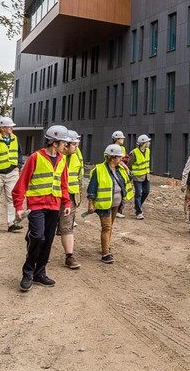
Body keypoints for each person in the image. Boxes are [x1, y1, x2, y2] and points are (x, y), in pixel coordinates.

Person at [12, 124, 72, 292]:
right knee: (38, 237)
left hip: (54, 206)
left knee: (48, 240)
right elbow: (21, 184)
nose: (66, 146)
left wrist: (66, 203)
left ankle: (40, 273)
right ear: (54, 143)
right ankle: (27, 273)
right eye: (64, 143)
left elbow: (63, 184)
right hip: (36, 206)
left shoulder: (61, 160)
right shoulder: (35, 158)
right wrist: (18, 206)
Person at [86, 144, 134, 264]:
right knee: (106, 227)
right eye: (119, 157)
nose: (121, 160)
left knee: (110, 227)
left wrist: (127, 169)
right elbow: (92, 188)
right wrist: (90, 204)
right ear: (112, 157)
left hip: (116, 204)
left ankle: (106, 245)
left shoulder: (120, 169)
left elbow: (130, 178)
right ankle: (105, 253)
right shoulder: (99, 170)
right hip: (104, 204)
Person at [56, 130, 83, 270]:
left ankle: (69, 256)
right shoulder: (54, 157)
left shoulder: (76, 156)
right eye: (74, 145)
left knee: (67, 227)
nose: (77, 148)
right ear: (65, 145)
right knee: (47, 228)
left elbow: (80, 176)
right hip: (53, 197)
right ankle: (40, 255)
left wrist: (78, 194)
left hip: (70, 197)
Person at [127, 134, 152, 219]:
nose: (149, 143)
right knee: (138, 194)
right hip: (137, 177)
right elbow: (129, 164)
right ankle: (138, 212)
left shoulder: (148, 151)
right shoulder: (134, 153)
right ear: (144, 143)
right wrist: (130, 173)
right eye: (148, 142)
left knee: (146, 191)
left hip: (146, 176)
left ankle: (138, 205)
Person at [112, 130, 129, 218]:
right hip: (115, 171)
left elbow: (125, 158)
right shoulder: (112, 148)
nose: (123, 139)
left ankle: (119, 209)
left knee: (122, 190)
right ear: (117, 139)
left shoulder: (122, 148)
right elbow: (118, 160)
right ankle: (115, 209)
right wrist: (125, 167)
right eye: (121, 138)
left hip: (120, 172)